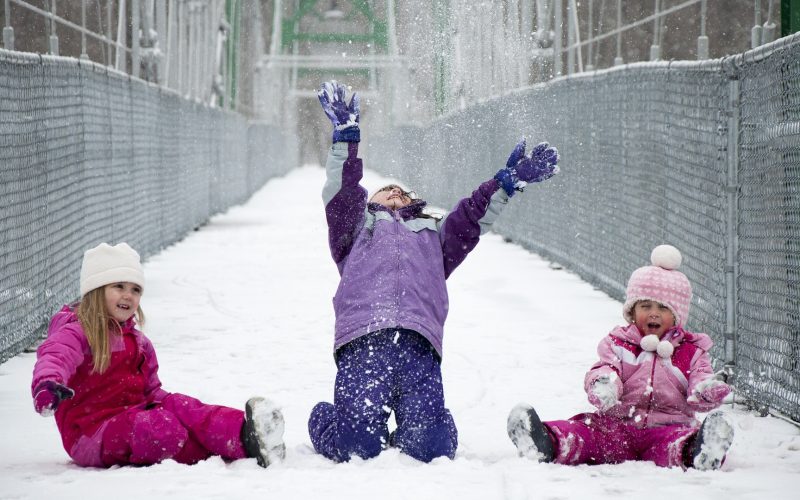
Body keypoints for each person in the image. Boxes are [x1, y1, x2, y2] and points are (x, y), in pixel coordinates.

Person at [308, 80, 560, 463]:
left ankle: (429, 427)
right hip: (364, 341)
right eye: (385, 192)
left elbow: (472, 217)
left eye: (403, 193)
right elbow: (342, 189)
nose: (395, 194)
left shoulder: (434, 237)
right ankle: (327, 420)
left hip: (419, 344)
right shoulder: (353, 231)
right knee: (356, 446)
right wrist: (346, 138)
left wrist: (504, 185)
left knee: (431, 449)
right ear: (368, 203)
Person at [31, 242, 286, 468]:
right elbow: (55, 356)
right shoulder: (77, 331)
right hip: (91, 433)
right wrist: (47, 386)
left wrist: (178, 408)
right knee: (160, 427)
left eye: (135, 290)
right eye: (119, 286)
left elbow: (151, 391)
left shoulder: (139, 342)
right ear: (96, 290)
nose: (128, 295)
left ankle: (245, 433)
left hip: (132, 414)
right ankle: (219, 449)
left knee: (184, 408)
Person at [507, 244, 734, 470]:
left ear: (677, 317)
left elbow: (700, 381)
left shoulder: (691, 351)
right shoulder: (619, 343)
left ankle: (699, 451)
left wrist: (707, 390)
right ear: (632, 312)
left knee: (674, 445)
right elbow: (606, 367)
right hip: (617, 427)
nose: (653, 313)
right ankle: (545, 442)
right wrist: (604, 384)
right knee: (585, 433)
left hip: (667, 427)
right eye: (645, 305)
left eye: (663, 309)